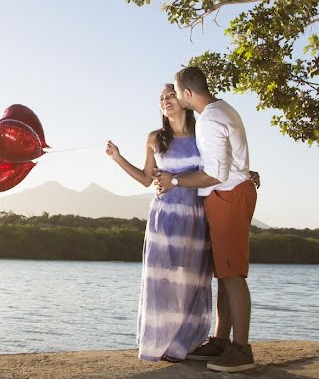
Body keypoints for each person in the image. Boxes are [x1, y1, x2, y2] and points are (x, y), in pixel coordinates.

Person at [154, 66, 258, 373]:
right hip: (227, 196)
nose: (172, 96)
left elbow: (216, 173)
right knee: (224, 274)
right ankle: (220, 340)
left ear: (187, 93)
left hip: (229, 196)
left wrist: (174, 180)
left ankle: (241, 349)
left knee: (233, 274)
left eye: (175, 91)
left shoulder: (210, 119)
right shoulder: (220, 109)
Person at [105, 84, 213, 363]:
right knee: (162, 281)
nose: (166, 100)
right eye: (161, 98)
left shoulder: (202, 133)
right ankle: (160, 344)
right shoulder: (155, 138)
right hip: (164, 216)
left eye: (170, 95)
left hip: (195, 215)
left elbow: (217, 167)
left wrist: (246, 172)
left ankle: (184, 344)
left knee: (190, 281)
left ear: (183, 99)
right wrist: (117, 157)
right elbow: (144, 178)